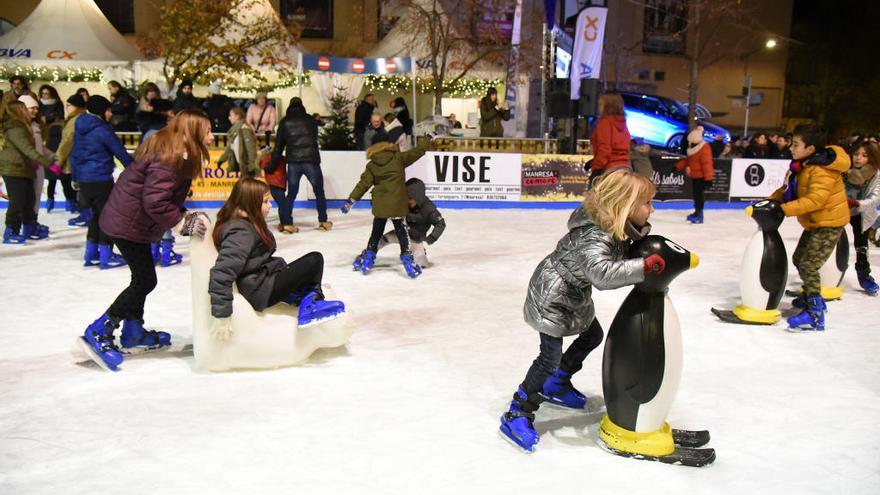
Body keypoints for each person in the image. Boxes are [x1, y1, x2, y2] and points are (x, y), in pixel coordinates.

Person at [499, 171, 662, 453]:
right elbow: (602, 273)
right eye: (646, 202)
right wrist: (643, 267)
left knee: (592, 335)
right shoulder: (594, 234)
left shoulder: (615, 228)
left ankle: (557, 383)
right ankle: (518, 411)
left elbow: (619, 255)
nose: (652, 209)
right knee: (548, 356)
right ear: (623, 204)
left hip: (573, 293)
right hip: (552, 294)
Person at [80, 110, 214, 372]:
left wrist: (183, 213)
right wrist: (182, 223)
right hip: (126, 224)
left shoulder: (174, 153)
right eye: (207, 131)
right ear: (193, 133)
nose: (211, 137)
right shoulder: (171, 158)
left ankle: (133, 333)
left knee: (142, 278)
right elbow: (155, 201)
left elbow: (162, 196)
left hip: (131, 222)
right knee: (144, 280)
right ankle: (100, 329)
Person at [208, 178, 346, 338]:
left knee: (305, 268)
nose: (270, 206)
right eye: (265, 201)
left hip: (261, 282)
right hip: (259, 290)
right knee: (314, 260)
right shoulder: (241, 231)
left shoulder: (244, 223)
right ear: (251, 203)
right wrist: (222, 316)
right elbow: (222, 273)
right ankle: (310, 305)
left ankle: (307, 296)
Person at [768, 125, 851, 332]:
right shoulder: (802, 165)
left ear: (811, 149)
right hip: (817, 221)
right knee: (799, 259)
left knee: (808, 265)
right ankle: (809, 297)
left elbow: (815, 200)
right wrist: (769, 202)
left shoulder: (821, 170)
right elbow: (788, 189)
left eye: (796, 145)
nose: (790, 148)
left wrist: (783, 210)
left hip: (829, 223)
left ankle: (815, 313)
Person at [340, 134, 428, 278]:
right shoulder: (398, 158)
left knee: (377, 231)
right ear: (388, 144)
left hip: (381, 206)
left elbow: (362, 185)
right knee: (402, 232)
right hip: (397, 204)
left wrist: (350, 200)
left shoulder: (372, 165)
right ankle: (407, 260)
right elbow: (417, 151)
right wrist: (428, 139)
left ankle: (369, 257)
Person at [70, 95, 134, 269]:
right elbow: (120, 152)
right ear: (101, 111)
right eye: (108, 110)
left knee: (96, 216)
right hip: (100, 180)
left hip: (84, 181)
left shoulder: (80, 127)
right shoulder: (102, 130)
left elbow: (74, 154)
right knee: (107, 218)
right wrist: (135, 171)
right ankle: (106, 255)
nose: (110, 113)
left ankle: (91, 253)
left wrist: (75, 178)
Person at [268, 97, 331, 232]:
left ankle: (286, 222)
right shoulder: (311, 120)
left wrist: (271, 166)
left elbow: (278, 147)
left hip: (293, 163)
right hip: (311, 161)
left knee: (291, 194)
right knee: (319, 192)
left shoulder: (285, 122)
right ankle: (323, 221)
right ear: (302, 106)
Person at [0, 101, 55, 244]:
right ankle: (11, 231)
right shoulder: (15, 128)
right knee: (17, 201)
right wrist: (50, 164)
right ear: (18, 111)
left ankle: (30, 227)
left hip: (24, 169)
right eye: (24, 108)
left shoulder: (24, 127)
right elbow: (28, 150)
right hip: (13, 169)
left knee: (28, 199)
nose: (28, 111)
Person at [377, 178, 445, 267]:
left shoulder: (429, 209)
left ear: (418, 196)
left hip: (415, 240)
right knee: (385, 239)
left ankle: (419, 253)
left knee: (422, 265)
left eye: (410, 198)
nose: (408, 201)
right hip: (401, 234)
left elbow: (441, 224)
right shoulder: (405, 204)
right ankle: (369, 252)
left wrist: (432, 237)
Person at [844, 140, 880, 295]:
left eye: (864, 155)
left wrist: (857, 203)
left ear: (871, 158)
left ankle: (864, 275)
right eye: (856, 154)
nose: (858, 158)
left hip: (861, 212)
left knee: (861, 245)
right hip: (839, 211)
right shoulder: (844, 170)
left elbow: (875, 198)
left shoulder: (875, 175)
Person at [18, 94, 55, 234]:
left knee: (36, 196)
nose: (34, 111)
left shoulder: (34, 124)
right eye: (31, 108)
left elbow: (40, 147)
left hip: (38, 166)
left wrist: (52, 156)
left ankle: (32, 222)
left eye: (36, 108)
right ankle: (28, 224)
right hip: (27, 166)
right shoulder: (20, 127)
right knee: (27, 198)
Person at [675, 126, 714, 224]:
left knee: (699, 196)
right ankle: (697, 212)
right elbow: (688, 160)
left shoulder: (704, 148)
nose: (689, 143)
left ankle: (700, 215)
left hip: (702, 178)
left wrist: (708, 179)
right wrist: (677, 167)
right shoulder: (693, 148)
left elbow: (707, 164)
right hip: (695, 176)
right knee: (696, 196)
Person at [56, 94, 87, 217]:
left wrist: (57, 163)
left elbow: (66, 142)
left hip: (73, 160)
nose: (67, 108)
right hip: (83, 160)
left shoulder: (74, 121)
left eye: (69, 105)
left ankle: (79, 209)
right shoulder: (85, 118)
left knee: (72, 185)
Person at [588, 92, 632, 179]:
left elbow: (605, 149)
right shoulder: (622, 123)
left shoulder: (604, 123)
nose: (598, 107)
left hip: (609, 168)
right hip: (625, 167)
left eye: (600, 104)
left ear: (608, 106)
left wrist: (596, 167)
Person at [38, 85, 65, 212]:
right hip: (48, 144)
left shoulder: (58, 105)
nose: (45, 95)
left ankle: (70, 201)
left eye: (47, 93)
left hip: (57, 145)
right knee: (53, 178)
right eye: (43, 93)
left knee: (63, 178)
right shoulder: (39, 106)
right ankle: (50, 200)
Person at [218, 106, 258, 178]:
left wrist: (252, 166)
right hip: (242, 166)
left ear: (237, 116)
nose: (229, 118)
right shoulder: (235, 131)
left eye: (231, 115)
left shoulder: (244, 129)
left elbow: (251, 149)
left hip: (247, 167)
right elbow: (231, 147)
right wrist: (222, 159)